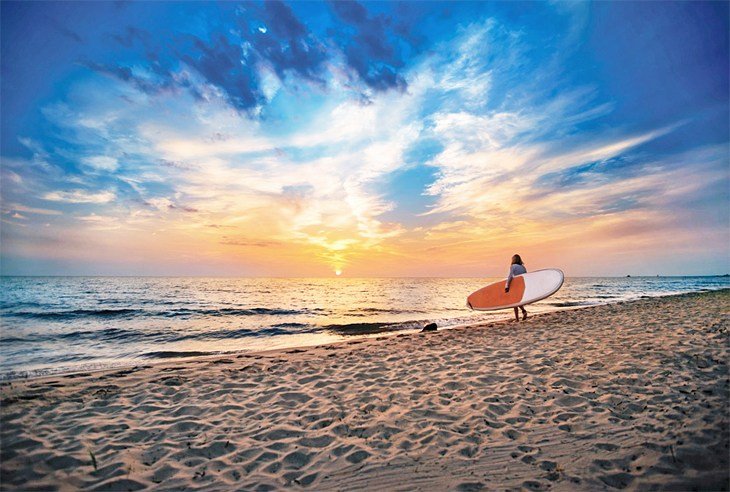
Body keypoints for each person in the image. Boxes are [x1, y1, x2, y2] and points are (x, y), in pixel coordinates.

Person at [505, 254, 528, 321]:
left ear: (514, 260)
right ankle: (523, 311)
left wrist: (507, 285)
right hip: (522, 285)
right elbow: (526, 276)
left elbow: (510, 276)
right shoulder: (523, 267)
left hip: (515, 285)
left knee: (514, 302)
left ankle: (517, 318)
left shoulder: (513, 266)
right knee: (517, 301)